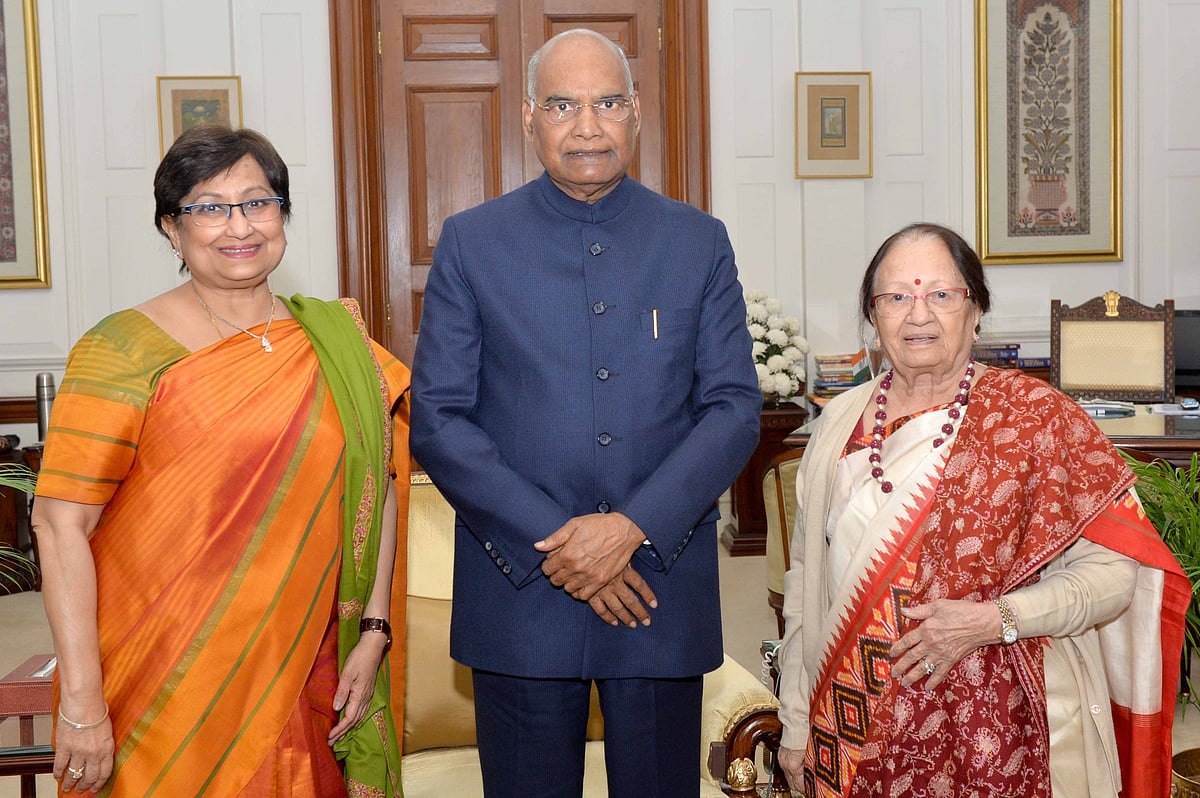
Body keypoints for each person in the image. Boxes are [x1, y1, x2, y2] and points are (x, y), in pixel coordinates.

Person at [409, 27, 761, 798]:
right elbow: (438, 416)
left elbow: (733, 407)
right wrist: (563, 547)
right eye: (564, 104)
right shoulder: (472, 243)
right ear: (529, 117)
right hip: (523, 599)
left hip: (658, 593)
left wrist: (629, 529)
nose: (587, 125)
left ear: (636, 115)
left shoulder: (697, 242)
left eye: (607, 103)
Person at [31, 125, 409, 797]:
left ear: (283, 215)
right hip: (163, 675)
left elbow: (375, 489)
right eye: (209, 206)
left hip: (301, 669)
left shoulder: (334, 341)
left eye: (257, 202)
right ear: (171, 230)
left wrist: (374, 631)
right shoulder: (121, 349)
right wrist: (82, 702)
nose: (239, 225)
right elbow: (61, 526)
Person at [775, 222, 1190, 798]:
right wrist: (796, 723)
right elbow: (804, 589)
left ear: (976, 310)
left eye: (941, 295)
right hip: (850, 724)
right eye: (896, 297)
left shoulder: (1042, 421)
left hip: (1001, 733)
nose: (918, 315)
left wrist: (997, 619)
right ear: (874, 317)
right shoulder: (836, 426)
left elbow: (1113, 578)